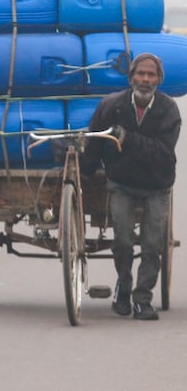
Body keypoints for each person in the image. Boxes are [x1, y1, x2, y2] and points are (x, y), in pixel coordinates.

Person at [82, 52, 181, 320]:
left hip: (157, 186)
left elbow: (162, 152)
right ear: (131, 77)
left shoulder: (168, 110)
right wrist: (81, 177)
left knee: (152, 244)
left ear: (159, 80)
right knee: (123, 240)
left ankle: (143, 298)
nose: (145, 80)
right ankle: (123, 286)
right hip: (122, 184)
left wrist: (126, 138)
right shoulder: (111, 106)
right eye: (141, 74)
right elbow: (93, 145)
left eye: (151, 75)